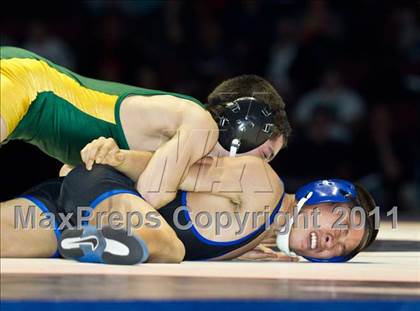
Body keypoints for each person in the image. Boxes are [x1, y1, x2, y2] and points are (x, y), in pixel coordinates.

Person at [0, 138, 377, 265]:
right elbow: (174, 168)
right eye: (340, 223)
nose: (333, 239)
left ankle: (90, 239)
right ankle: (93, 242)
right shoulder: (262, 183)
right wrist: (116, 158)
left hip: (76, 207)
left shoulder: (262, 244)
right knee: (169, 247)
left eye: (343, 247)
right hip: (106, 185)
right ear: (324, 194)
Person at [0, 46, 290, 207]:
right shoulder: (200, 124)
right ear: (247, 128)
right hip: (26, 86)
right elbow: (153, 192)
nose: (263, 170)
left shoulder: (185, 138)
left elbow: (73, 170)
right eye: (265, 156)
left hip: (24, 94)